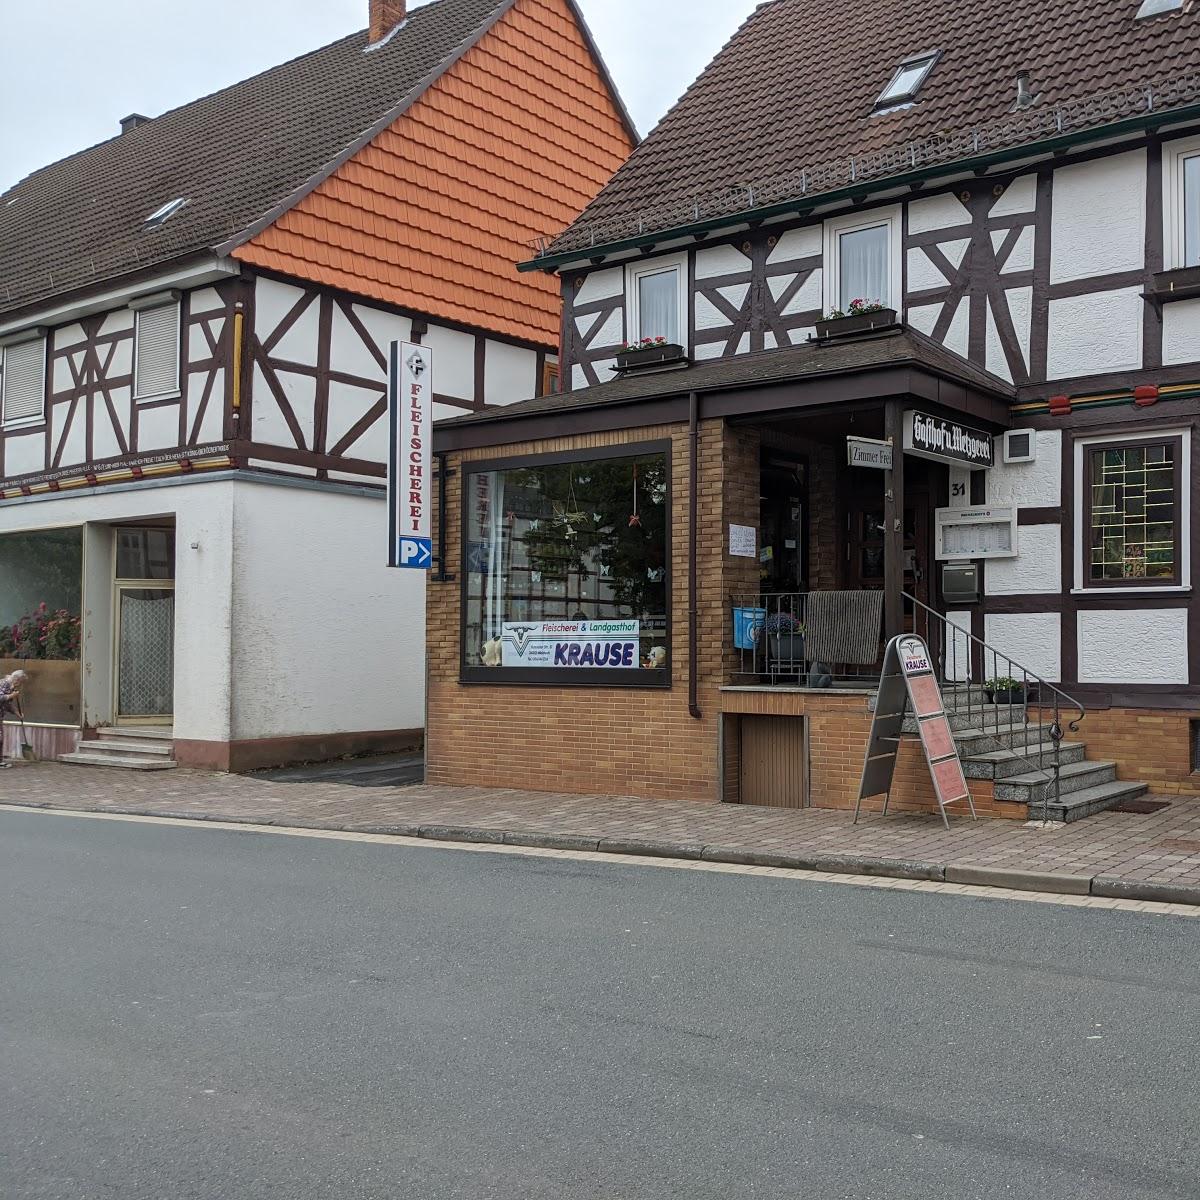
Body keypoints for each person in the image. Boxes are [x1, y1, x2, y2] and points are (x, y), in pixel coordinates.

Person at [0, 670, 27, 768]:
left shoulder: (10, 686)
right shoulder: (5, 683)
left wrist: (17, 714)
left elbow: (7, 704)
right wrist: (12, 695)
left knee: (1, 738)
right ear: (17, 679)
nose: (20, 685)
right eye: (21, 682)